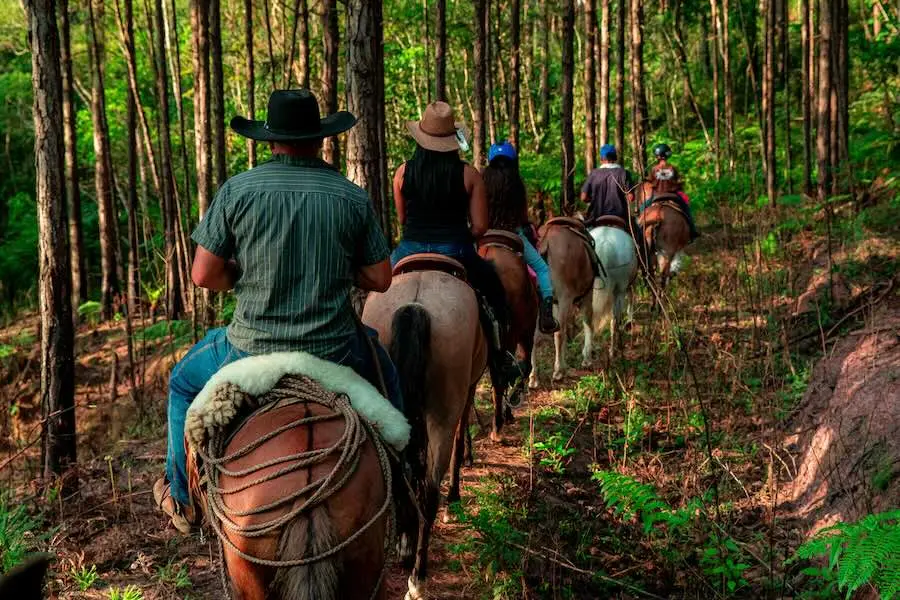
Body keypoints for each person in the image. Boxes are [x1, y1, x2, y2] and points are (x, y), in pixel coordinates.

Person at [153, 89, 403, 534]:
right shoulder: (350, 196)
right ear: (320, 139)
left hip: (248, 349)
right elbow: (382, 278)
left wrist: (240, 274)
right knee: (390, 374)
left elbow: (202, 275)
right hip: (336, 350)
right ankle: (405, 485)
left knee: (181, 383)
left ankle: (182, 498)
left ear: (270, 141)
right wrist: (343, 271)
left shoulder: (238, 190)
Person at [390, 101, 521, 384]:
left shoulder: (402, 173)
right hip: (457, 251)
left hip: (408, 249)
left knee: (371, 290)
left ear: (420, 138)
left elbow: (402, 219)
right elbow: (481, 227)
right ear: (451, 140)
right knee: (496, 293)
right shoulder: (469, 175)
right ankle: (502, 358)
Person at [482, 141, 559, 334]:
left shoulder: (482, 180)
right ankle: (547, 313)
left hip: (484, 236)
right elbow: (523, 217)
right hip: (512, 234)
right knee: (541, 268)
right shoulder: (517, 182)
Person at [644, 143, 699, 240]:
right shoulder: (673, 168)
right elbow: (678, 182)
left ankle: (638, 230)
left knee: (642, 208)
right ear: (668, 155)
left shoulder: (654, 169)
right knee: (686, 209)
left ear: (657, 156)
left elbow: (650, 182)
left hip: (657, 196)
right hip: (673, 196)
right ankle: (692, 230)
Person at [580, 143, 636, 230]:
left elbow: (583, 197)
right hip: (620, 217)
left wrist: (595, 199)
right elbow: (631, 198)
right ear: (615, 157)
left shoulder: (594, 173)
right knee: (639, 233)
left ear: (602, 158)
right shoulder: (624, 173)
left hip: (596, 217)